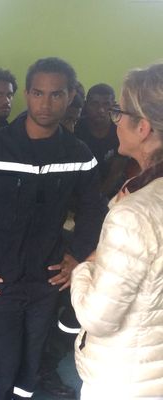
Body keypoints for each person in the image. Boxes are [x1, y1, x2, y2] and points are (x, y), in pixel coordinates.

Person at [0, 57, 106, 400]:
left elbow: (94, 209)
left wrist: (77, 257)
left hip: (46, 281)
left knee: (29, 367)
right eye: (38, 93)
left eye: (57, 94)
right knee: (0, 367)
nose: (46, 103)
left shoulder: (78, 153)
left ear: (71, 96)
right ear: (26, 94)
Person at [71, 63, 163, 399]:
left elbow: (98, 318)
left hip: (128, 379)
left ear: (143, 127)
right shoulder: (138, 192)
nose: (115, 120)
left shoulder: (134, 215)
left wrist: (83, 266)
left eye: (119, 112)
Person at [75, 83, 128, 198]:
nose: (101, 110)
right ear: (86, 105)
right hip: (78, 190)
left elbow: (116, 173)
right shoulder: (76, 128)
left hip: (111, 193)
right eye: (95, 104)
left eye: (106, 104)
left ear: (113, 106)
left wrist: (97, 198)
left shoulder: (121, 131)